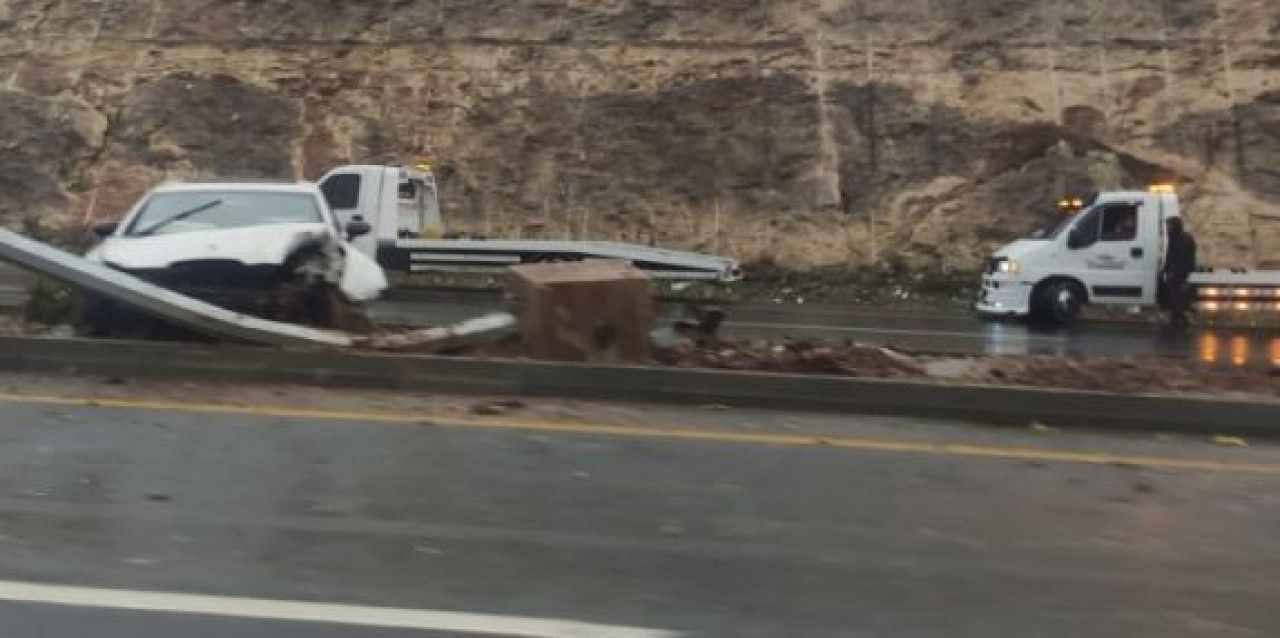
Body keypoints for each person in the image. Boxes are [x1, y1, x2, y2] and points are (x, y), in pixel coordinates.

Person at [1160, 217, 1197, 326]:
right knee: (1175, 293)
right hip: (1179, 270)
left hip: (1181, 270)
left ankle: (1180, 317)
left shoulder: (1182, 238)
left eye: (1169, 225)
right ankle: (1177, 316)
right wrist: (1165, 269)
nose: (1167, 227)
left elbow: (1179, 257)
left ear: (1175, 225)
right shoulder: (1178, 236)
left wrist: (1171, 271)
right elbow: (1170, 255)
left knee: (1176, 294)